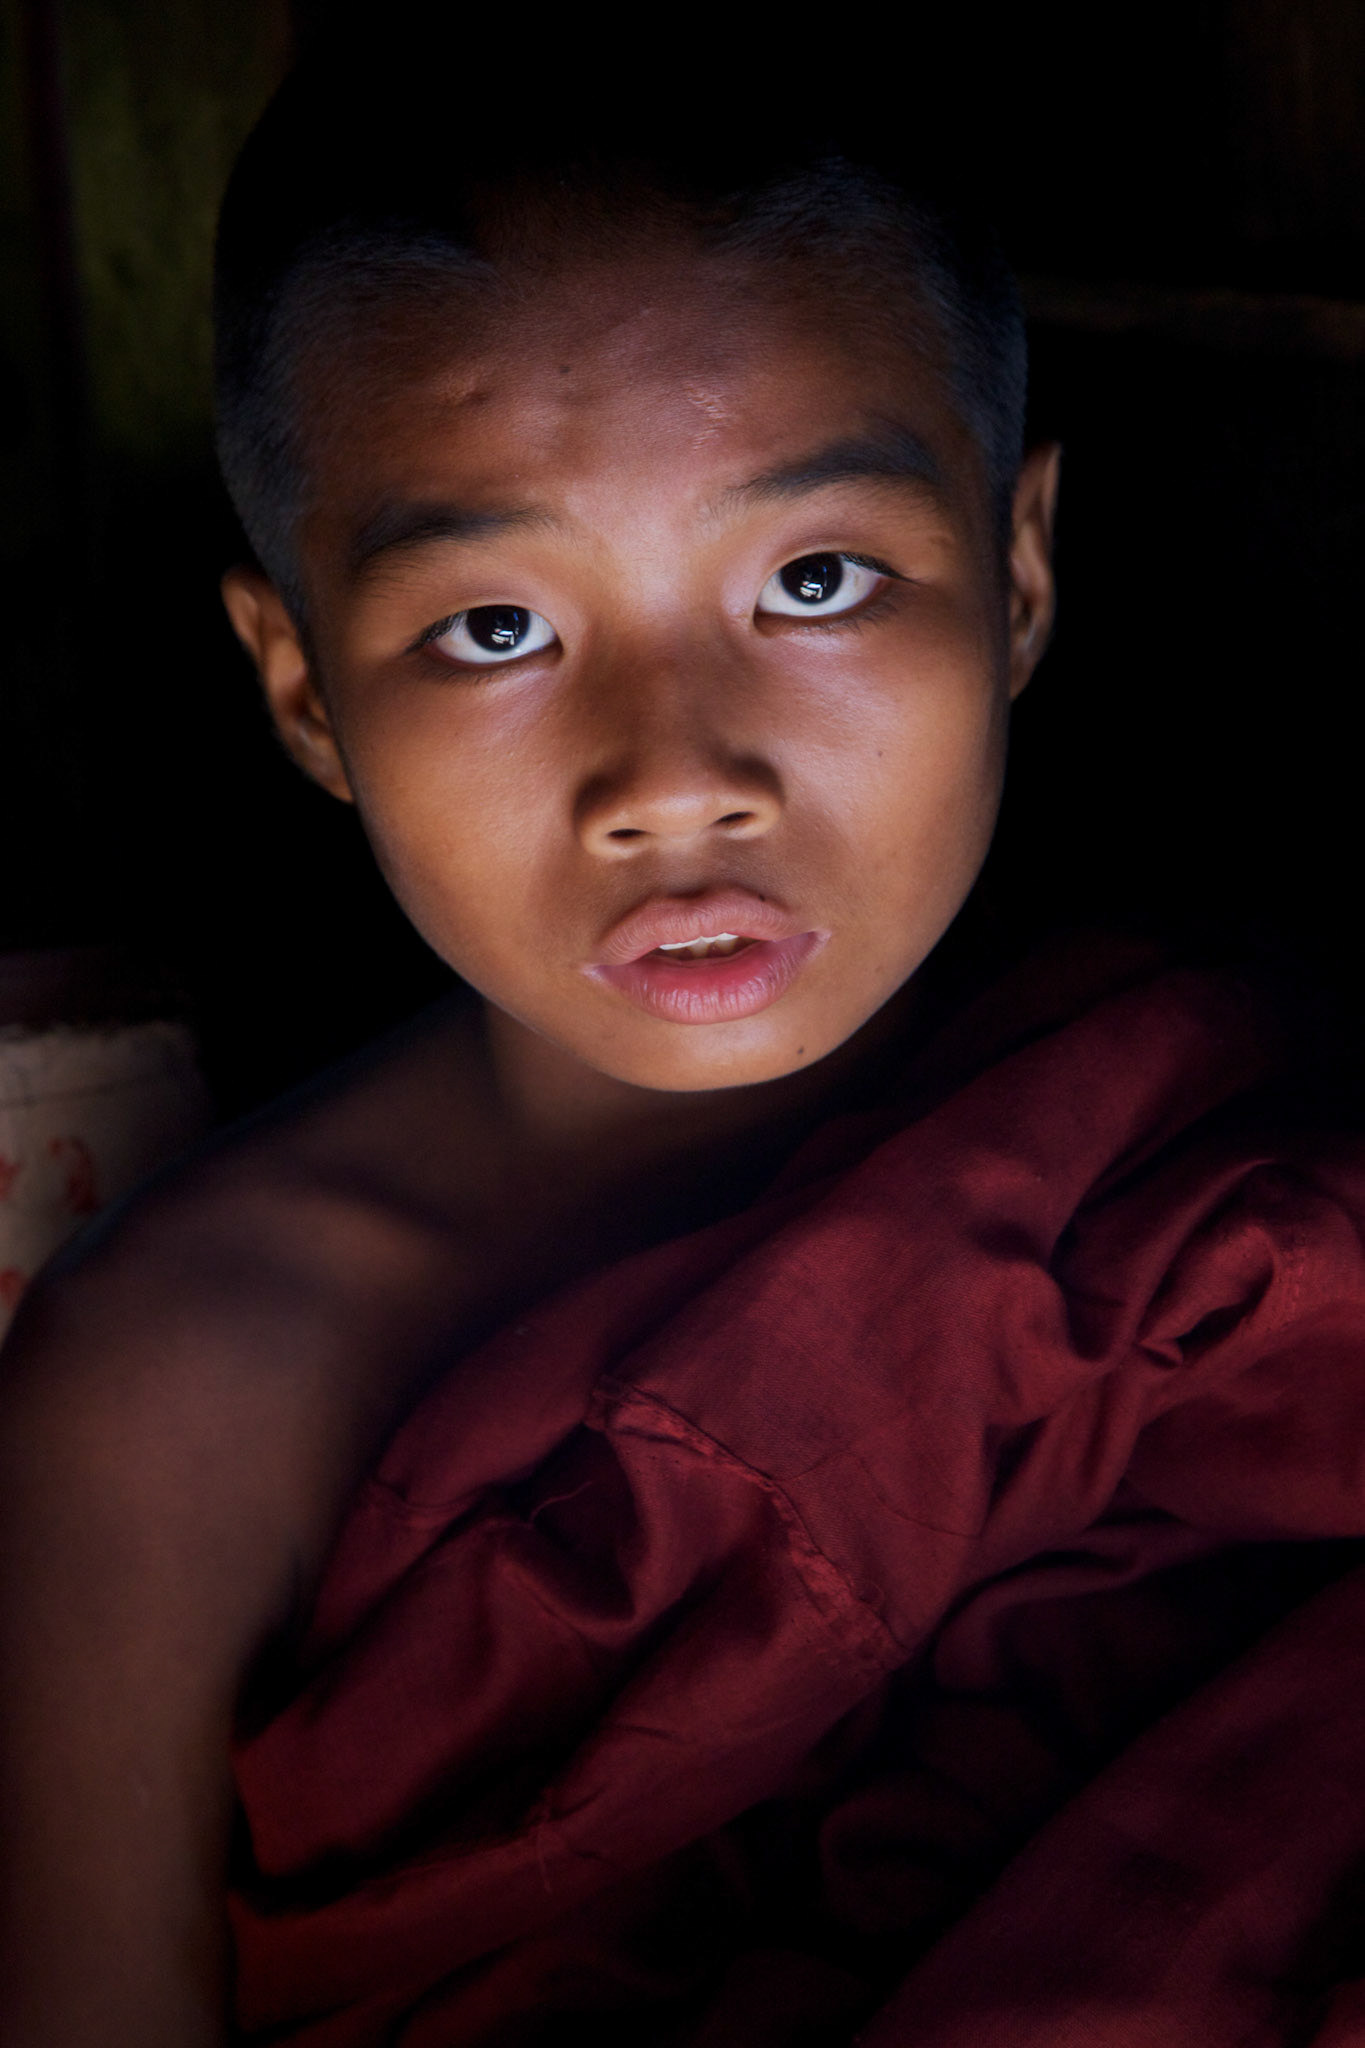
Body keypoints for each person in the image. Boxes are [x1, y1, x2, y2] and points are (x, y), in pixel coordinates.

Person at [5, 29, 1365, 2048]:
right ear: (299, 690)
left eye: (812, 578)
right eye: (493, 629)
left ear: (1009, 578)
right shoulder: (180, 1399)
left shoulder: (1223, 1132)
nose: (671, 776)